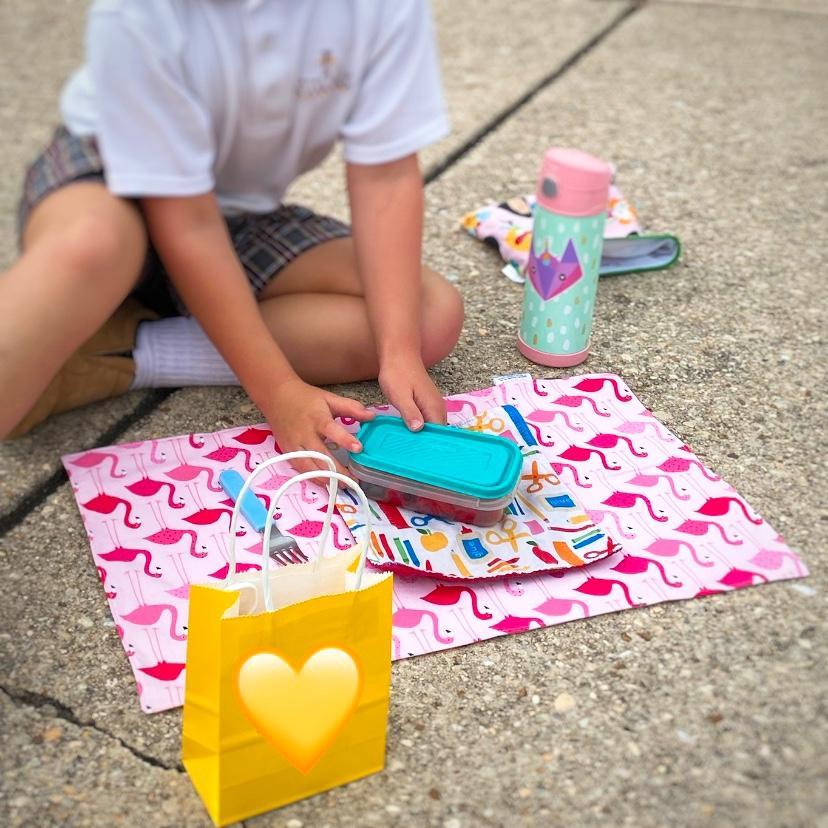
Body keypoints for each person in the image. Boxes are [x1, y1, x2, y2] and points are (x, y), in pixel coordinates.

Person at [0, 0, 464, 473]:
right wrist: (279, 391)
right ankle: (77, 311)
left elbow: (386, 178)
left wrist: (399, 352)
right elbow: (186, 222)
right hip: (110, 183)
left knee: (428, 317)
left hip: (231, 213)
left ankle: (119, 351)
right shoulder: (139, 12)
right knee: (89, 244)